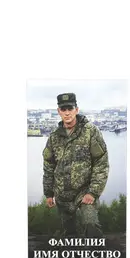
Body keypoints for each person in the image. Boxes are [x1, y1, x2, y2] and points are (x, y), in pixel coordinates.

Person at [43, 93, 109, 237]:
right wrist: (48, 193)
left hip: (84, 191)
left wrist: (93, 192)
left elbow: (101, 162)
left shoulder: (90, 132)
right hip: (62, 195)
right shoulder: (54, 137)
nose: (67, 113)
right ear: (59, 111)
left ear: (76, 110)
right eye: (63, 109)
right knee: (69, 233)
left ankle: (99, 251)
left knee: (91, 224)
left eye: (70, 108)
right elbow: (49, 166)